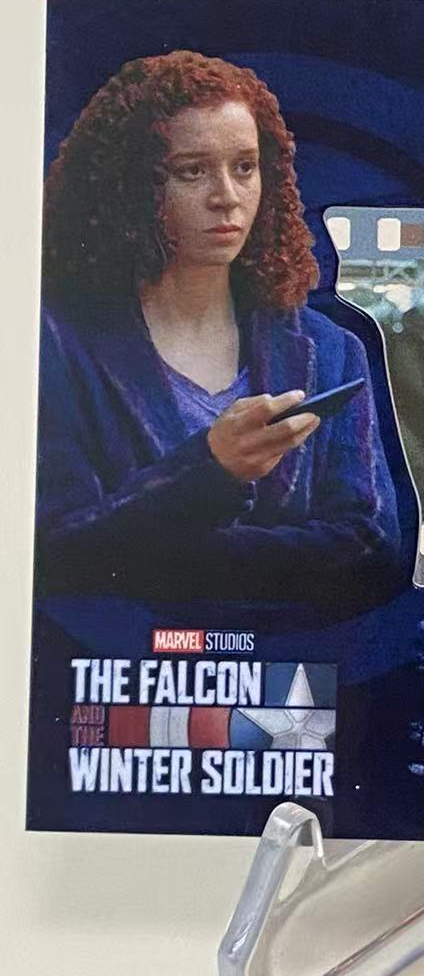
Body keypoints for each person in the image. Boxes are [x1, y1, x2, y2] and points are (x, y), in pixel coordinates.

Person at [38, 49, 400, 608]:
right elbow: (54, 553)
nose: (226, 196)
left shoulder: (332, 350)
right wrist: (212, 470)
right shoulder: (56, 343)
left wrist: (151, 557)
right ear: (131, 184)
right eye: (193, 171)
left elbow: (371, 548)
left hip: (294, 652)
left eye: (244, 167)